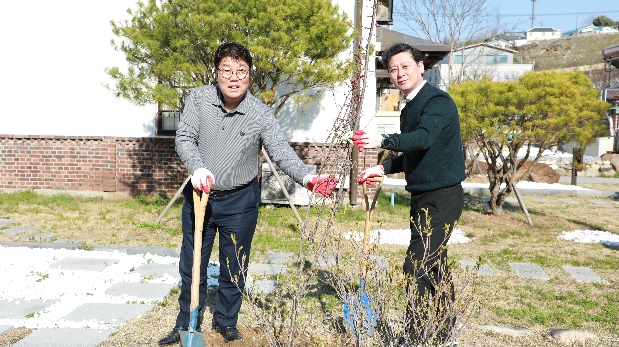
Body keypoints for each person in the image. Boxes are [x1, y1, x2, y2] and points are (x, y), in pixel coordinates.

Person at [158, 42, 337, 345]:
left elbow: (280, 150)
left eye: (241, 71)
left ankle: (227, 322)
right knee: (192, 264)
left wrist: (307, 178)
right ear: (216, 73)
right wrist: (198, 167)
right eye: (227, 70)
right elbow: (185, 138)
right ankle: (185, 323)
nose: (234, 77)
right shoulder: (199, 100)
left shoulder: (259, 112)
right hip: (200, 196)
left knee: (234, 265)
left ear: (249, 76)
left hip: (240, 200)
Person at [352, 42, 465, 345]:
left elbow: (424, 138)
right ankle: (444, 334)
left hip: (443, 196)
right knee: (435, 264)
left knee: (416, 263)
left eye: (405, 66)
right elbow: (415, 154)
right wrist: (383, 169)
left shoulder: (437, 101)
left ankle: (415, 334)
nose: (399, 73)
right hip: (423, 196)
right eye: (393, 69)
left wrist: (384, 139)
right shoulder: (410, 107)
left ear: (420, 67)